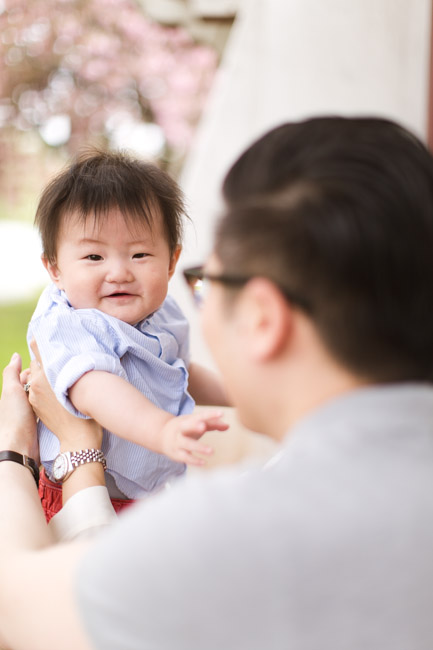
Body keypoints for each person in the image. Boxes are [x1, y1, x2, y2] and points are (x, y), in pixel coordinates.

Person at [2, 115, 433, 650]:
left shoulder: (238, 530)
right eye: (94, 255)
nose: (121, 272)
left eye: (205, 283)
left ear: (262, 317)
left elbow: (14, 603)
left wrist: (14, 452)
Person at [27, 149, 228, 520]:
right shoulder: (69, 322)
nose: (119, 272)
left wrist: (241, 395)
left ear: (170, 262)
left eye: (139, 255)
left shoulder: (161, 312)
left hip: (152, 491)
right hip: (80, 490)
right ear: (54, 269)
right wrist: (163, 429)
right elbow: (94, 388)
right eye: (94, 258)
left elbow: (180, 372)